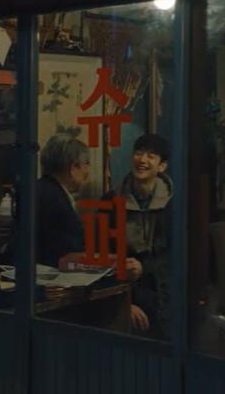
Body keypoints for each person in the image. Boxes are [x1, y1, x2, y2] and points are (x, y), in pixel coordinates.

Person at [104, 133, 173, 338]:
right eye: (138, 153)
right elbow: (101, 253)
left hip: (167, 296)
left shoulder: (174, 204)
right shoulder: (110, 202)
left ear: (162, 166)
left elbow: (179, 255)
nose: (142, 160)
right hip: (126, 293)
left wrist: (145, 267)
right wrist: (123, 303)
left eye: (151, 156)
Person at [35, 133, 91, 267]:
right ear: (73, 168)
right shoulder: (56, 202)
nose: (87, 171)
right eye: (86, 164)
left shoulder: (38, 189)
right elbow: (69, 255)